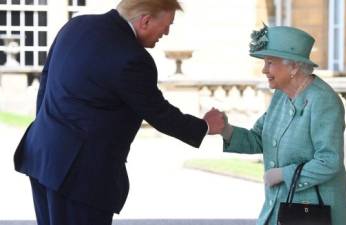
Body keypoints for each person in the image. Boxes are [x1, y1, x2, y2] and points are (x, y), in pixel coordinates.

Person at [13, 1, 225, 225]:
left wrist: (48, 131)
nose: (167, 32)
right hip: (81, 178)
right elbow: (159, 113)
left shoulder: (74, 26)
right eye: (167, 25)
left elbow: (45, 85)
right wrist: (205, 126)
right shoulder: (133, 58)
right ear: (145, 20)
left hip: (41, 155)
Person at [215, 25, 346, 225]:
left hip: (313, 212)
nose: (264, 69)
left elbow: (329, 160)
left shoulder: (323, 100)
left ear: (294, 67)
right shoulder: (280, 95)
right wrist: (226, 130)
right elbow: (259, 137)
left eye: (270, 62)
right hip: (280, 209)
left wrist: (283, 174)